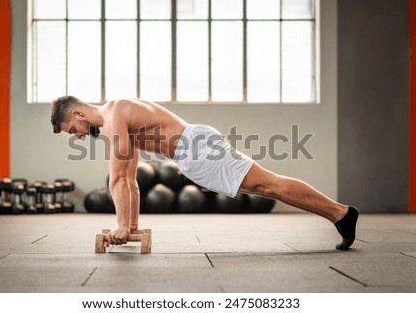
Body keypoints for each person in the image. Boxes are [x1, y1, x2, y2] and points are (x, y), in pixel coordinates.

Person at [50, 96, 359, 250]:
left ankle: (341, 212)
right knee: (264, 187)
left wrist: (120, 226)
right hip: (191, 152)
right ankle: (340, 215)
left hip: (195, 147)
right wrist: (128, 227)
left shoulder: (115, 114)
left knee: (268, 184)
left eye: (72, 129)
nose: (76, 135)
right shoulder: (115, 121)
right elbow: (128, 177)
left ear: (77, 113)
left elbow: (118, 179)